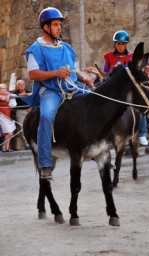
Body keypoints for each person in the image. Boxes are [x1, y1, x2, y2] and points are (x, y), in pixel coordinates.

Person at [24, 7, 92, 179]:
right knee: (46, 116)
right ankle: (45, 163)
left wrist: (85, 78)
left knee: (96, 99)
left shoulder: (67, 48)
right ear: (46, 27)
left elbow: (73, 71)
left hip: (71, 87)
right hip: (52, 90)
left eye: (60, 24)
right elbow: (32, 74)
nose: (59, 28)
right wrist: (56, 73)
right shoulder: (36, 48)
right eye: (55, 25)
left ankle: (99, 147)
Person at [13, 80, 32, 150]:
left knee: (32, 127)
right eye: (20, 85)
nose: (22, 86)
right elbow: (15, 96)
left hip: (29, 111)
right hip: (20, 112)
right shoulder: (15, 92)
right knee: (22, 128)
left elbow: (33, 98)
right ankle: (27, 144)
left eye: (23, 84)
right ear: (17, 86)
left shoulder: (28, 91)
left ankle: (33, 143)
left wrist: (31, 107)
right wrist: (26, 94)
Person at [0, 83, 16, 152]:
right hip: (2, 115)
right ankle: (4, 146)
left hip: (9, 115)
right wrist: (8, 95)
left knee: (10, 133)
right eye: (2, 88)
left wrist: (8, 94)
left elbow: (15, 95)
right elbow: (3, 99)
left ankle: (7, 147)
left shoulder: (7, 94)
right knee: (9, 133)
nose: (4, 89)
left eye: (5, 88)